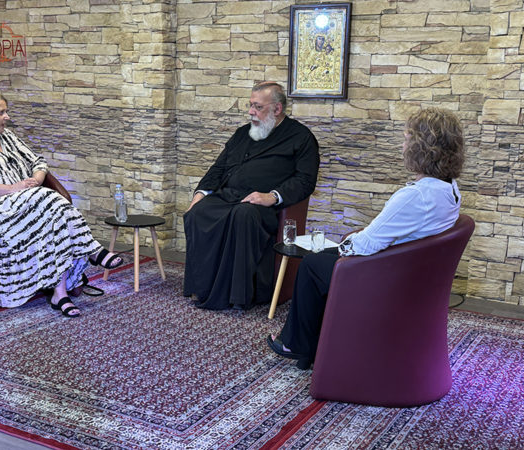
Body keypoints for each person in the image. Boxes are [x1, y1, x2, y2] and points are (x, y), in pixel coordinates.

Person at [267, 107, 465, 368]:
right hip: (409, 274)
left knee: (312, 264)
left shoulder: (415, 196)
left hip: (386, 279)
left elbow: (369, 243)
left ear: (422, 148)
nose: (403, 145)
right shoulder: (449, 189)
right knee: (323, 259)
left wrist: (341, 246)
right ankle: (308, 347)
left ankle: (298, 344)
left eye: (406, 139)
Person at [0, 90, 123, 317]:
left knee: (55, 219)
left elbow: (38, 162)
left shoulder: (8, 137)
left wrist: (36, 181)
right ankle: (93, 250)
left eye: (6, 111)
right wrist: (14, 189)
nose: (7, 117)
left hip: (28, 202)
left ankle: (60, 294)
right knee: (49, 200)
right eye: (1, 112)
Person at [183, 82, 320, 310]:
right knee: (198, 212)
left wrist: (272, 196)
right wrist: (200, 193)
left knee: (243, 214)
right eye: (250, 105)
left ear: (277, 109)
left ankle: (237, 295)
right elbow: (218, 169)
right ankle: (203, 288)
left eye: (258, 106)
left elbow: (305, 180)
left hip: (264, 206)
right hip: (229, 197)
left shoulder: (301, 137)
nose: (251, 112)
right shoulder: (242, 134)